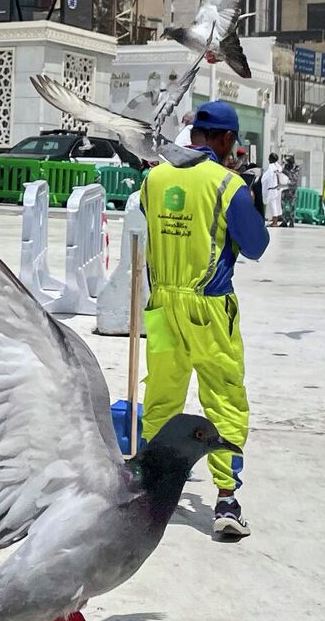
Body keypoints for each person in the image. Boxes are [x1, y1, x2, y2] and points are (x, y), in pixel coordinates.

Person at [139, 100, 270, 541]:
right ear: (228, 140)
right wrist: (252, 199)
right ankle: (227, 499)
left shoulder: (153, 178)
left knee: (160, 396)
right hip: (208, 306)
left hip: (160, 306)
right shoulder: (226, 185)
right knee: (224, 399)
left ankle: (150, 486)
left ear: (193, 133)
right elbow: (255, 246)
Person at [260, 153, 285, 226]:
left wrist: (265, 183)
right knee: (276, 204)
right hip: (278, 188)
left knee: (272, 204)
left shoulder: (271, 167)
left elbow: (268, 178)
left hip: (272, 188)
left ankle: (275, 222)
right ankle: (273, 219)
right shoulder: (278, 166)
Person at [280, 156, 303, 228]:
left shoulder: (296, 168)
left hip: (292, 190)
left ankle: (291, 221)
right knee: (283, 206)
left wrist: (287, 172)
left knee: (292, 207)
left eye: (288, 161)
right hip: (285, 189)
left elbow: (294, 178)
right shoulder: (285, 167)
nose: (286, 163)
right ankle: (284, 221)